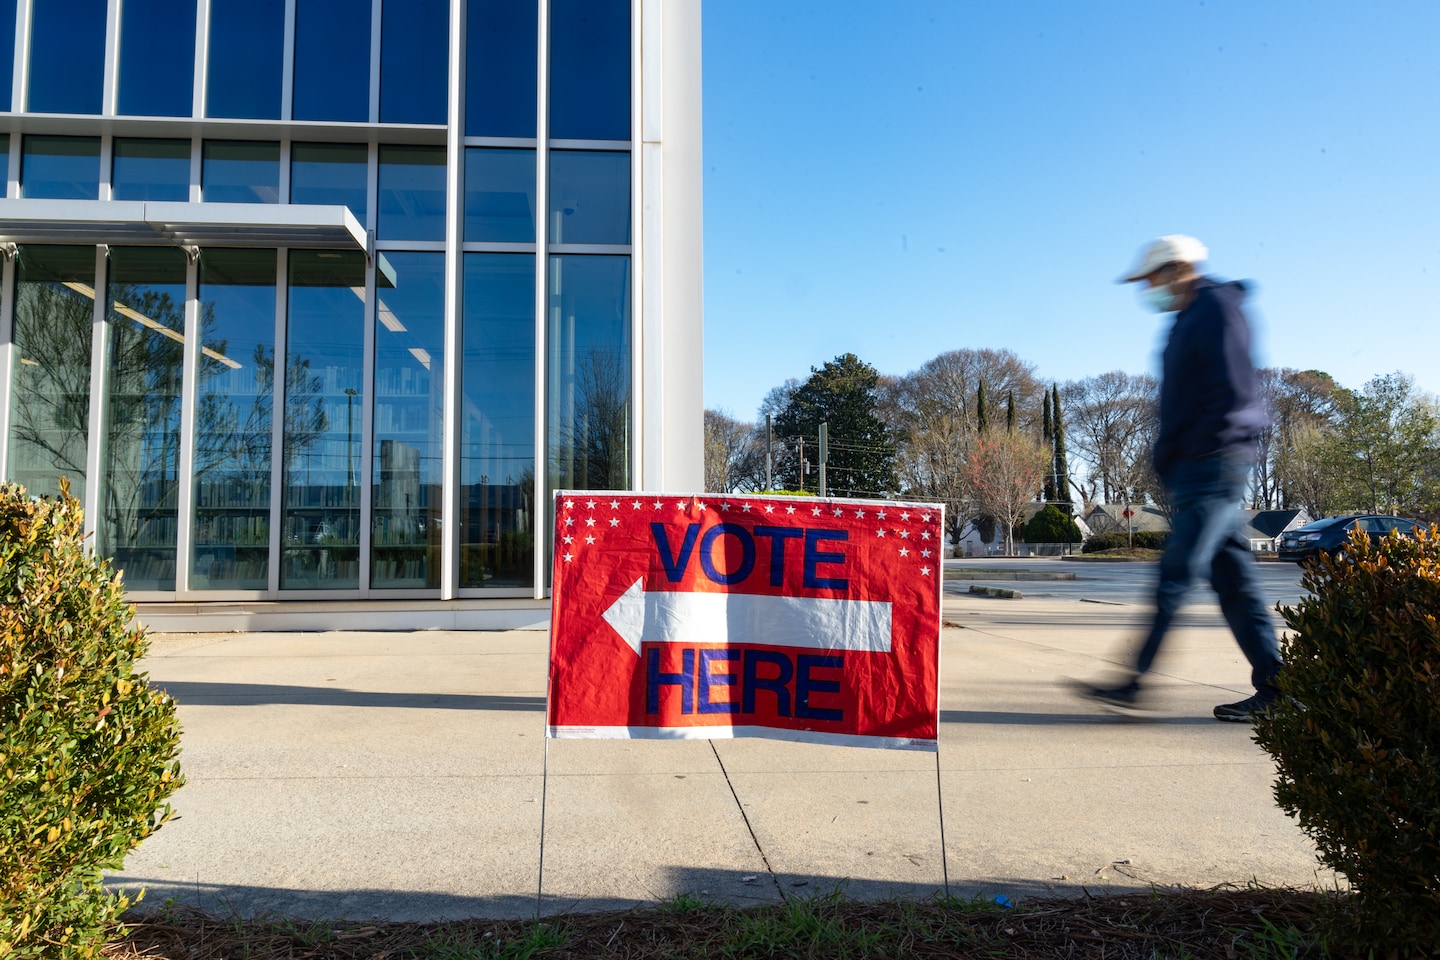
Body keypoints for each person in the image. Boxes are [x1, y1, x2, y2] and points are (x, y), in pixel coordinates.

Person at [1083, 235, 1281, 722]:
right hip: (1199, 466)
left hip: (1213, 464)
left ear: (1177, 270)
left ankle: (1132, 682)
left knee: (1176, 573)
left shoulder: (1216, 309)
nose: (1148, 288)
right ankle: (1279, 691)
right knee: (1234, 583)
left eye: (1151, 277)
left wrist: (1202, 449)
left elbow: (1234, 391)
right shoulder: (1187, 318)